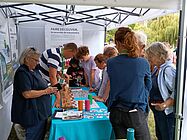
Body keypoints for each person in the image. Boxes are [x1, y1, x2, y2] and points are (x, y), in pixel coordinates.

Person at [107, 27, 152, 140]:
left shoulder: (111, 63)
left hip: (116, 111)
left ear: (117, 43)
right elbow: (148, 85)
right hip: (135, 110)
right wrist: (140, 94)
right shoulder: (142, 63)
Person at [11, 47, 58, 140]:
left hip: (40, 112)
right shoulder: (22, 73)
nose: (38, 63)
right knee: (33, 136)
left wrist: (54, 88)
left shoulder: (34, 70)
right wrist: (46, 91)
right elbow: (27, 94)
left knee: (39, 135)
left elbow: (40, 86)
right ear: (27, 59)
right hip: (31, 114)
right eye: (36, 60)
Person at [145, 42, 176, 140]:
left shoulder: (168, 69)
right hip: (158, 112)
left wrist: (164, 105)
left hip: (166, 113)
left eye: (151, 55)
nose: (149, 58)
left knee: (167, 137)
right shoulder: (156, 68)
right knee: (160, 136)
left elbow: (177, 92)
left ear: (160, 55)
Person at [39, 43, 77, 107]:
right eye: (72, 55)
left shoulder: (59, 55)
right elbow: (52, 77)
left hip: (45, 83)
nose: (71, 58)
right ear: (69, 50)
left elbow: (57, 74)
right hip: (41, 85)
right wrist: (58, 96)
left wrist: (63, 75)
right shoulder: (55, 55)